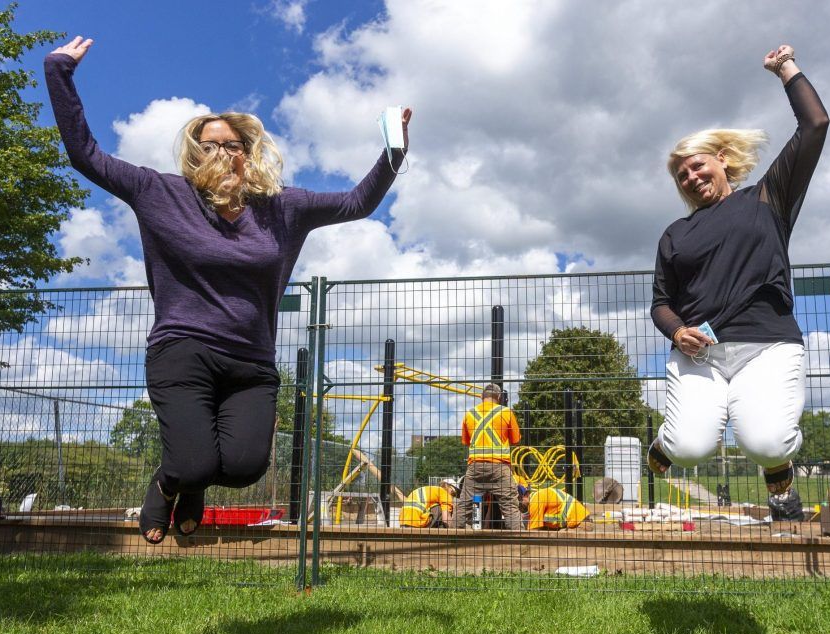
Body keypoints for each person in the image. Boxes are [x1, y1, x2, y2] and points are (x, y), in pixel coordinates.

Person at [45, 37, 412, 544]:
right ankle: (177, 480)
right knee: (193, 460)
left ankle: (182, 479)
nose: (220, 151)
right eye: (209, 145)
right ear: (195, 154)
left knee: (241, 469)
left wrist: (394, 152)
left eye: (230, 144)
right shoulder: (159, 193)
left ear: (247, 153)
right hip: (183, 349)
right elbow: (85, 154)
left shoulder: (283, 207)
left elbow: (357, 204)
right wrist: (59, 72)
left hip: (251, 363)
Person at [648, 44, 828, 522]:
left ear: (723, 160)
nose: (690, 176)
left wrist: (785, 69)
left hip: (767, 346)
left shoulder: (767, 198)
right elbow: (662, 303)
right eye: (681, 174)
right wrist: (675, 331)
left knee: (766, 440)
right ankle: (665, 442)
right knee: (687, 449)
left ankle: (778, 469)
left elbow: (815, 126)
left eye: (697, 164)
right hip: (700, 353)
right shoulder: (675, 234)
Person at [451, 383, 523, 530]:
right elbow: (516, 440)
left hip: (475, 467)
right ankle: (520, 544)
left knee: (464, 506)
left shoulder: (469, 414)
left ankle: (450, 542)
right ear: (499, 397)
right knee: (510, 507)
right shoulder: (506, 412)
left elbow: (465, 441)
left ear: (481, 396)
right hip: (500, 468)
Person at [518, 485, 591, 531]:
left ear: (526, 495)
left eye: (519, 500)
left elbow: (533, 531)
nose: (519, 505)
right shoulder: (538, 496)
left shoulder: (535, 501)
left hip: (580, 524)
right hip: (579, 520)